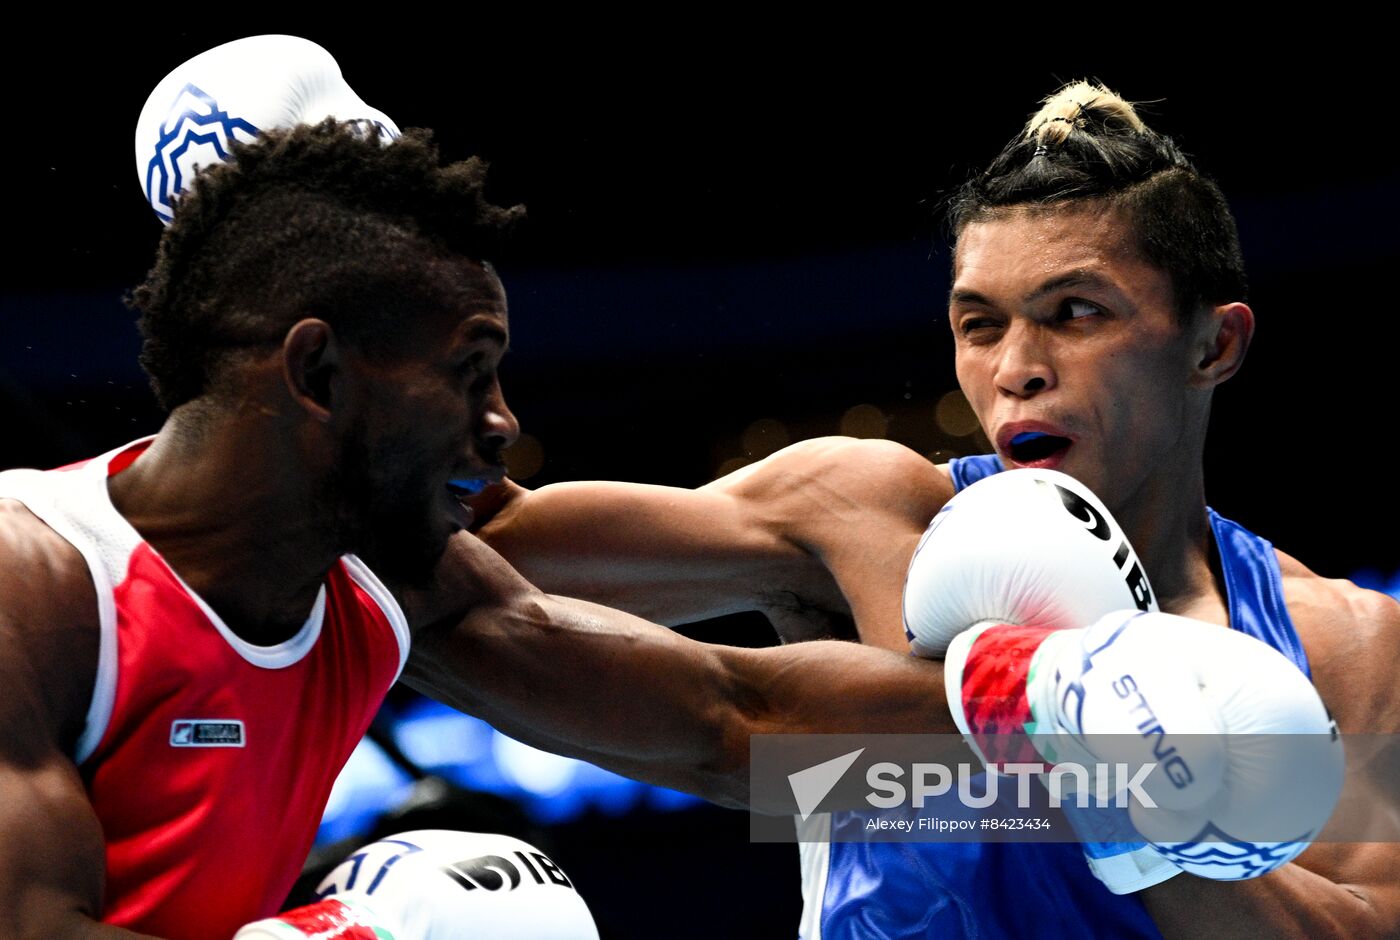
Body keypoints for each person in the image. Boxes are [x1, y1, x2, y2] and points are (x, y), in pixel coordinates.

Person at [464, 83, 1400, 936]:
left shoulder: (1344, 646)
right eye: (979, 323)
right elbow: (486, 559)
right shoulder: (868, 519)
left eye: (1076, 311)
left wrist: (1120, 785)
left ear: (1214, 345)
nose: (1015, 368)